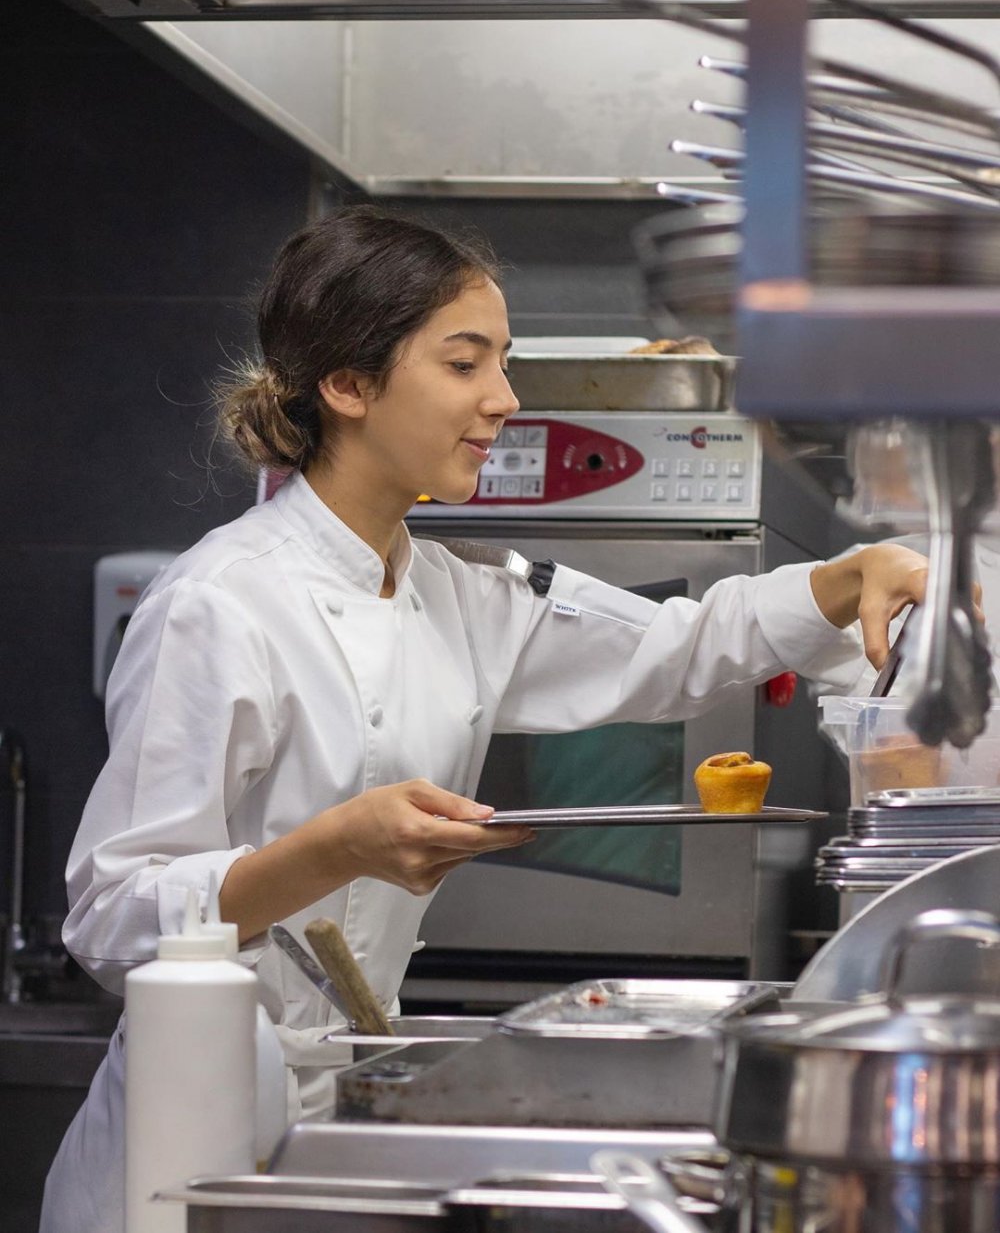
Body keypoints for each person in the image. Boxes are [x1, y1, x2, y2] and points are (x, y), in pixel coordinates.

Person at [41, 204, 929, 1233]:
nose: (504, 399)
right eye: (465, 364)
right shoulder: (218, 603)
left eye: (501, 363)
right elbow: (113, 912)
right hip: (178, 1146)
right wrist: (337, 846)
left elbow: (672, 647)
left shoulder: (453, 594)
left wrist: (845, 575)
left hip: (334, 1120)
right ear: (348, 384)